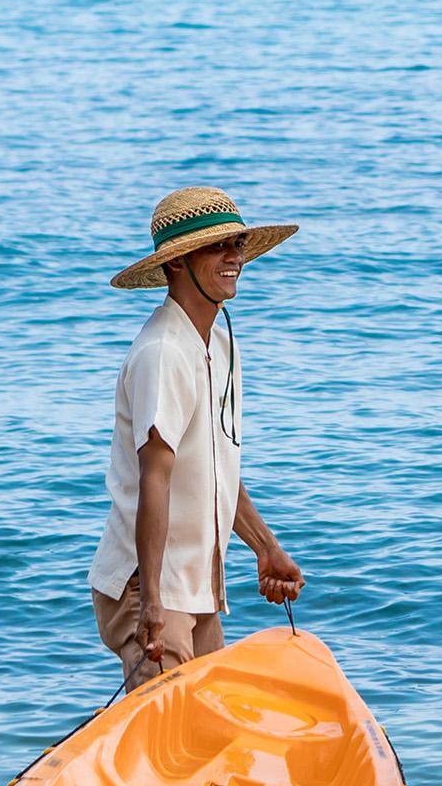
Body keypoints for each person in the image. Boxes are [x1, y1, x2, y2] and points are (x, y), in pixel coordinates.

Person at [89, 185, 307, 688]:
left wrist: (264, 548)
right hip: (153, 588)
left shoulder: (218, 340)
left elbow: (213, 470)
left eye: (238, 244)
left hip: (197, 586)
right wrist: (153, 604)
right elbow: (156, 482)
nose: (235, 257)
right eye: (218, 246)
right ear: (177, 264)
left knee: (204, 735)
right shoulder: (163, 352)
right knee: (166, 742)